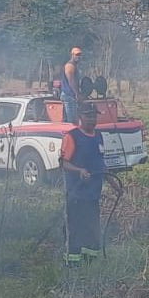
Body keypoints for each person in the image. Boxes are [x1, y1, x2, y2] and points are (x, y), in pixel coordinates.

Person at [59, 103, 119, 266]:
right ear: (81, 117)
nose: (93, 119)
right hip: (76, 194)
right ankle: (72, 264)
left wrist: (115, 184)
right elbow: (64, 164)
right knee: (76, 230)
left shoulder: (99, 136)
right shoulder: (72, 136)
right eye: (89, 116)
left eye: (95, 116)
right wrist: (79, 171)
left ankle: (90, 262)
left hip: (93, 194)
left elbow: (101, 164)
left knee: (92, 230)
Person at [60, 46, 84, 123]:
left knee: (73, 118)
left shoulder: (74, 66)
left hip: (71, 95)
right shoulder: (70, 66)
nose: (78, 56)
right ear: (72, 55)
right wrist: (77, 93)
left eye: (79, 55)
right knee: (71, 120)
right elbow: (71, 81)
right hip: (69, 95)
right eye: (76, 55)